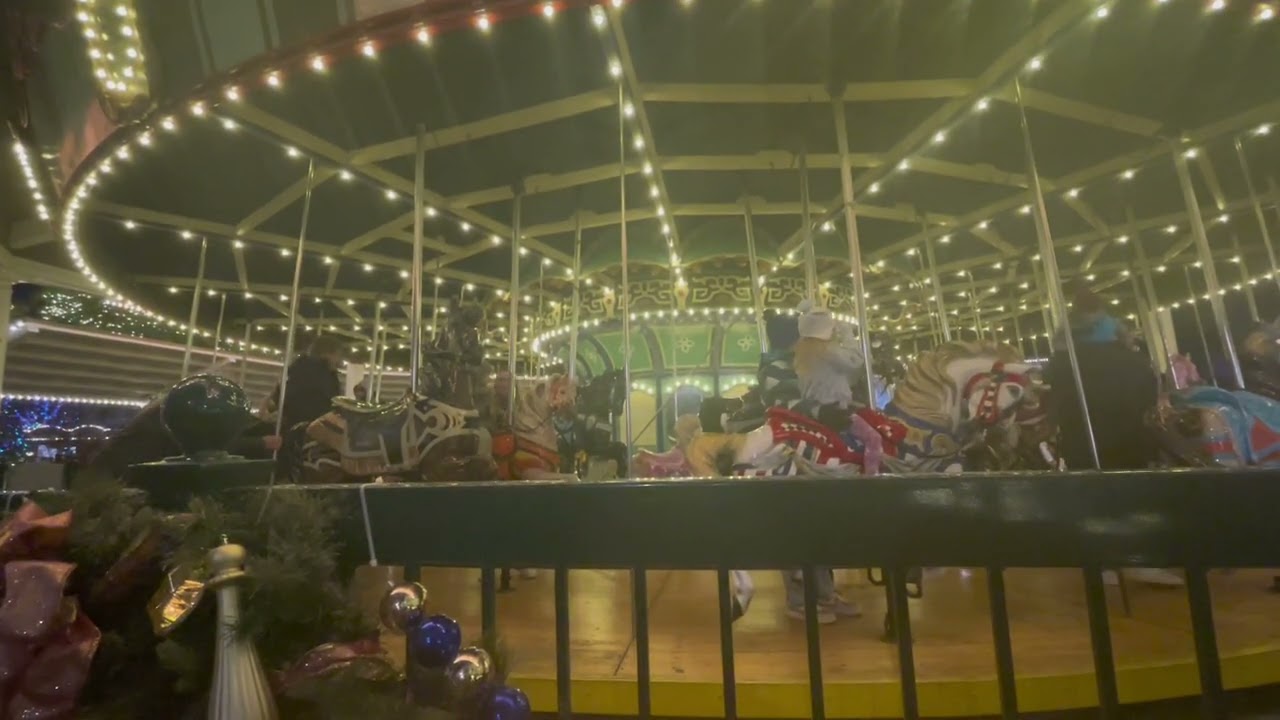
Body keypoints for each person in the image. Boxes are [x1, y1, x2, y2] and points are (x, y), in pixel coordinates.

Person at [1048, 287, 1158, 470]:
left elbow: (1055, 393)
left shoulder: (1065, 361)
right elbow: (1150, 394)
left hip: (1081, 443)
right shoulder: (1131, 358)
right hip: (1130, 439)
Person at [273, 335, 345, 433]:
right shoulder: (322, 374)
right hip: (313, 429)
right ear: (327, 354)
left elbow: (278, 397)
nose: (340, 361)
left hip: (290, 426)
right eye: (338, 355)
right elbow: (329, 402)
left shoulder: (295, 369)